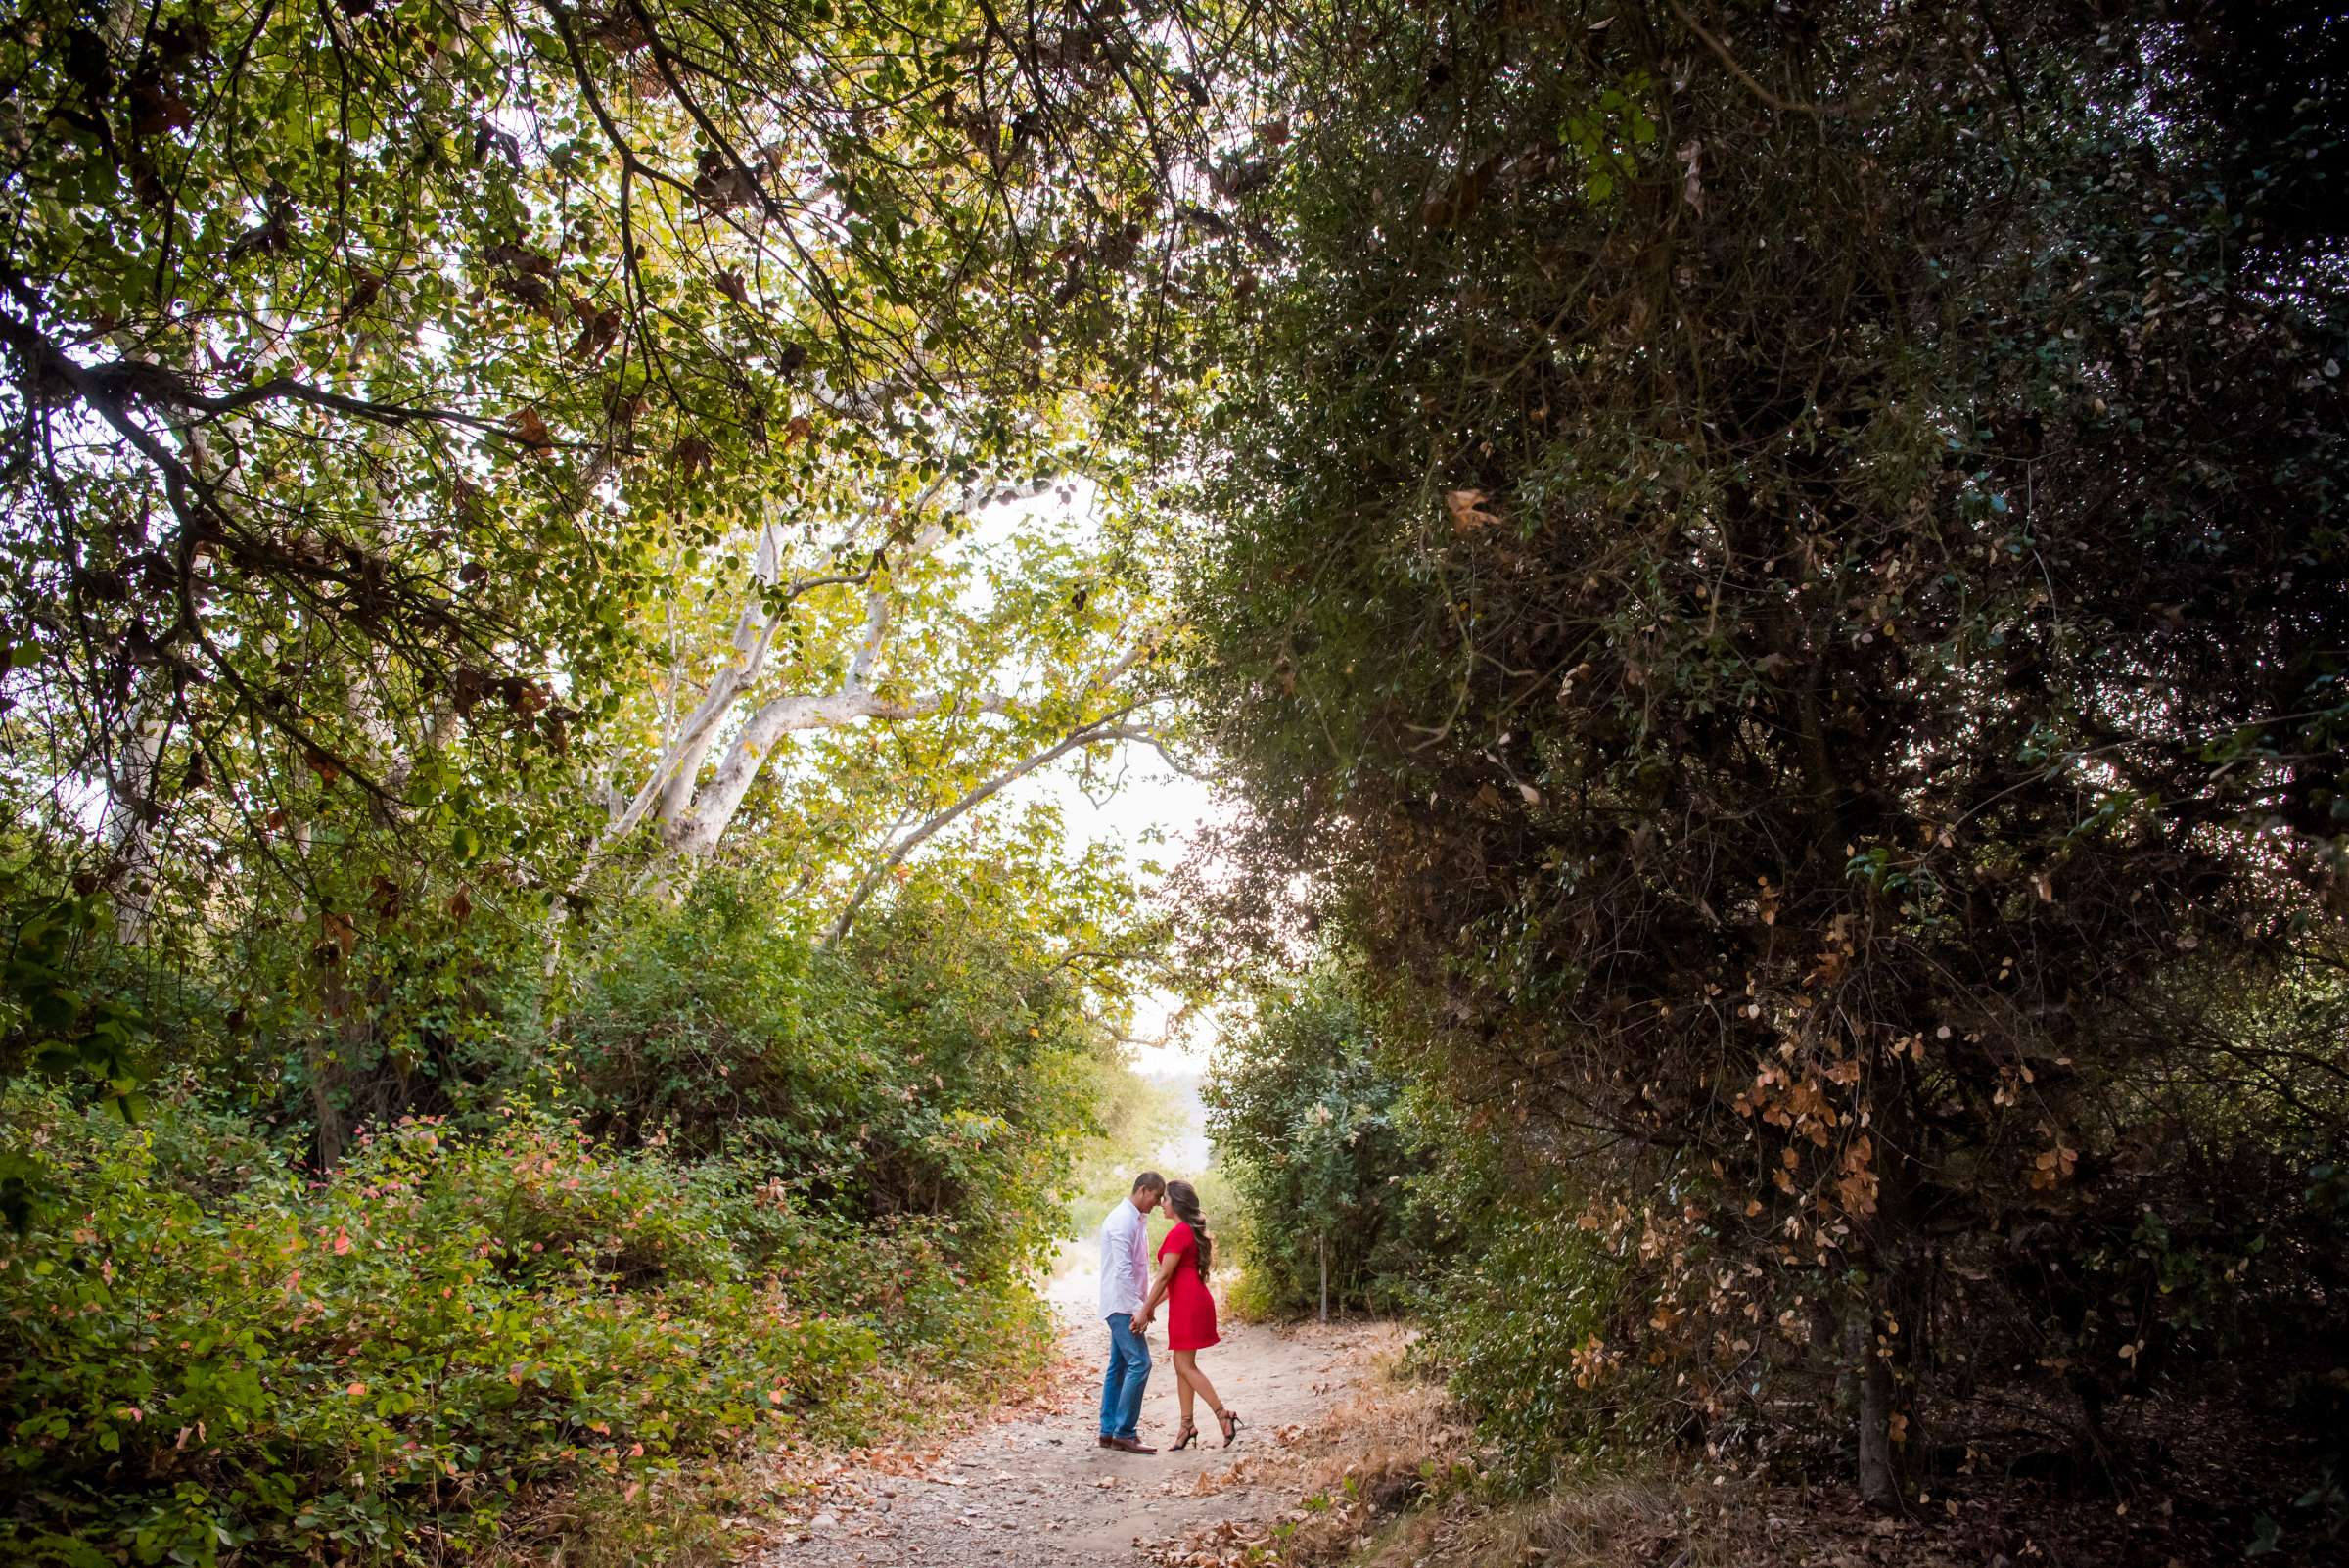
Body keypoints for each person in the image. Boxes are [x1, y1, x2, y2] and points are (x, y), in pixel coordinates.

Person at [1134, 1178, 1243, 1449]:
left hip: (1190, 1305)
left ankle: (1223, 1415)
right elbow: (1172, 1284)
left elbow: (1163, 1277)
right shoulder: (1185, 1232)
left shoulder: (1180, 1233)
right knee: (1181, 1365)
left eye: (1166, 1199)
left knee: (1185, 1365)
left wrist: (1144, 1310)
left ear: (1177, 1204)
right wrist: (1152, 1308)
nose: (1161, 1204)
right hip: (1187, 1301)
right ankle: (1186, 1426)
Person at [1097, 1170, 1163, 1453]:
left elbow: (1140, 1268)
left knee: (1120, 1366)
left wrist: (1146, 1304)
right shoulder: (1121, 1221)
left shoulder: (1136, 1219)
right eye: (1157, 1197)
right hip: (1122, 1305)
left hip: (1128, 1303)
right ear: (1144, 1190)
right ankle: (1124, 1432)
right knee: (1140, 1363)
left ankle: (1108, 1431)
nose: (1158, 1204)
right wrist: (1139, 1308)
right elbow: (1123, 1271)